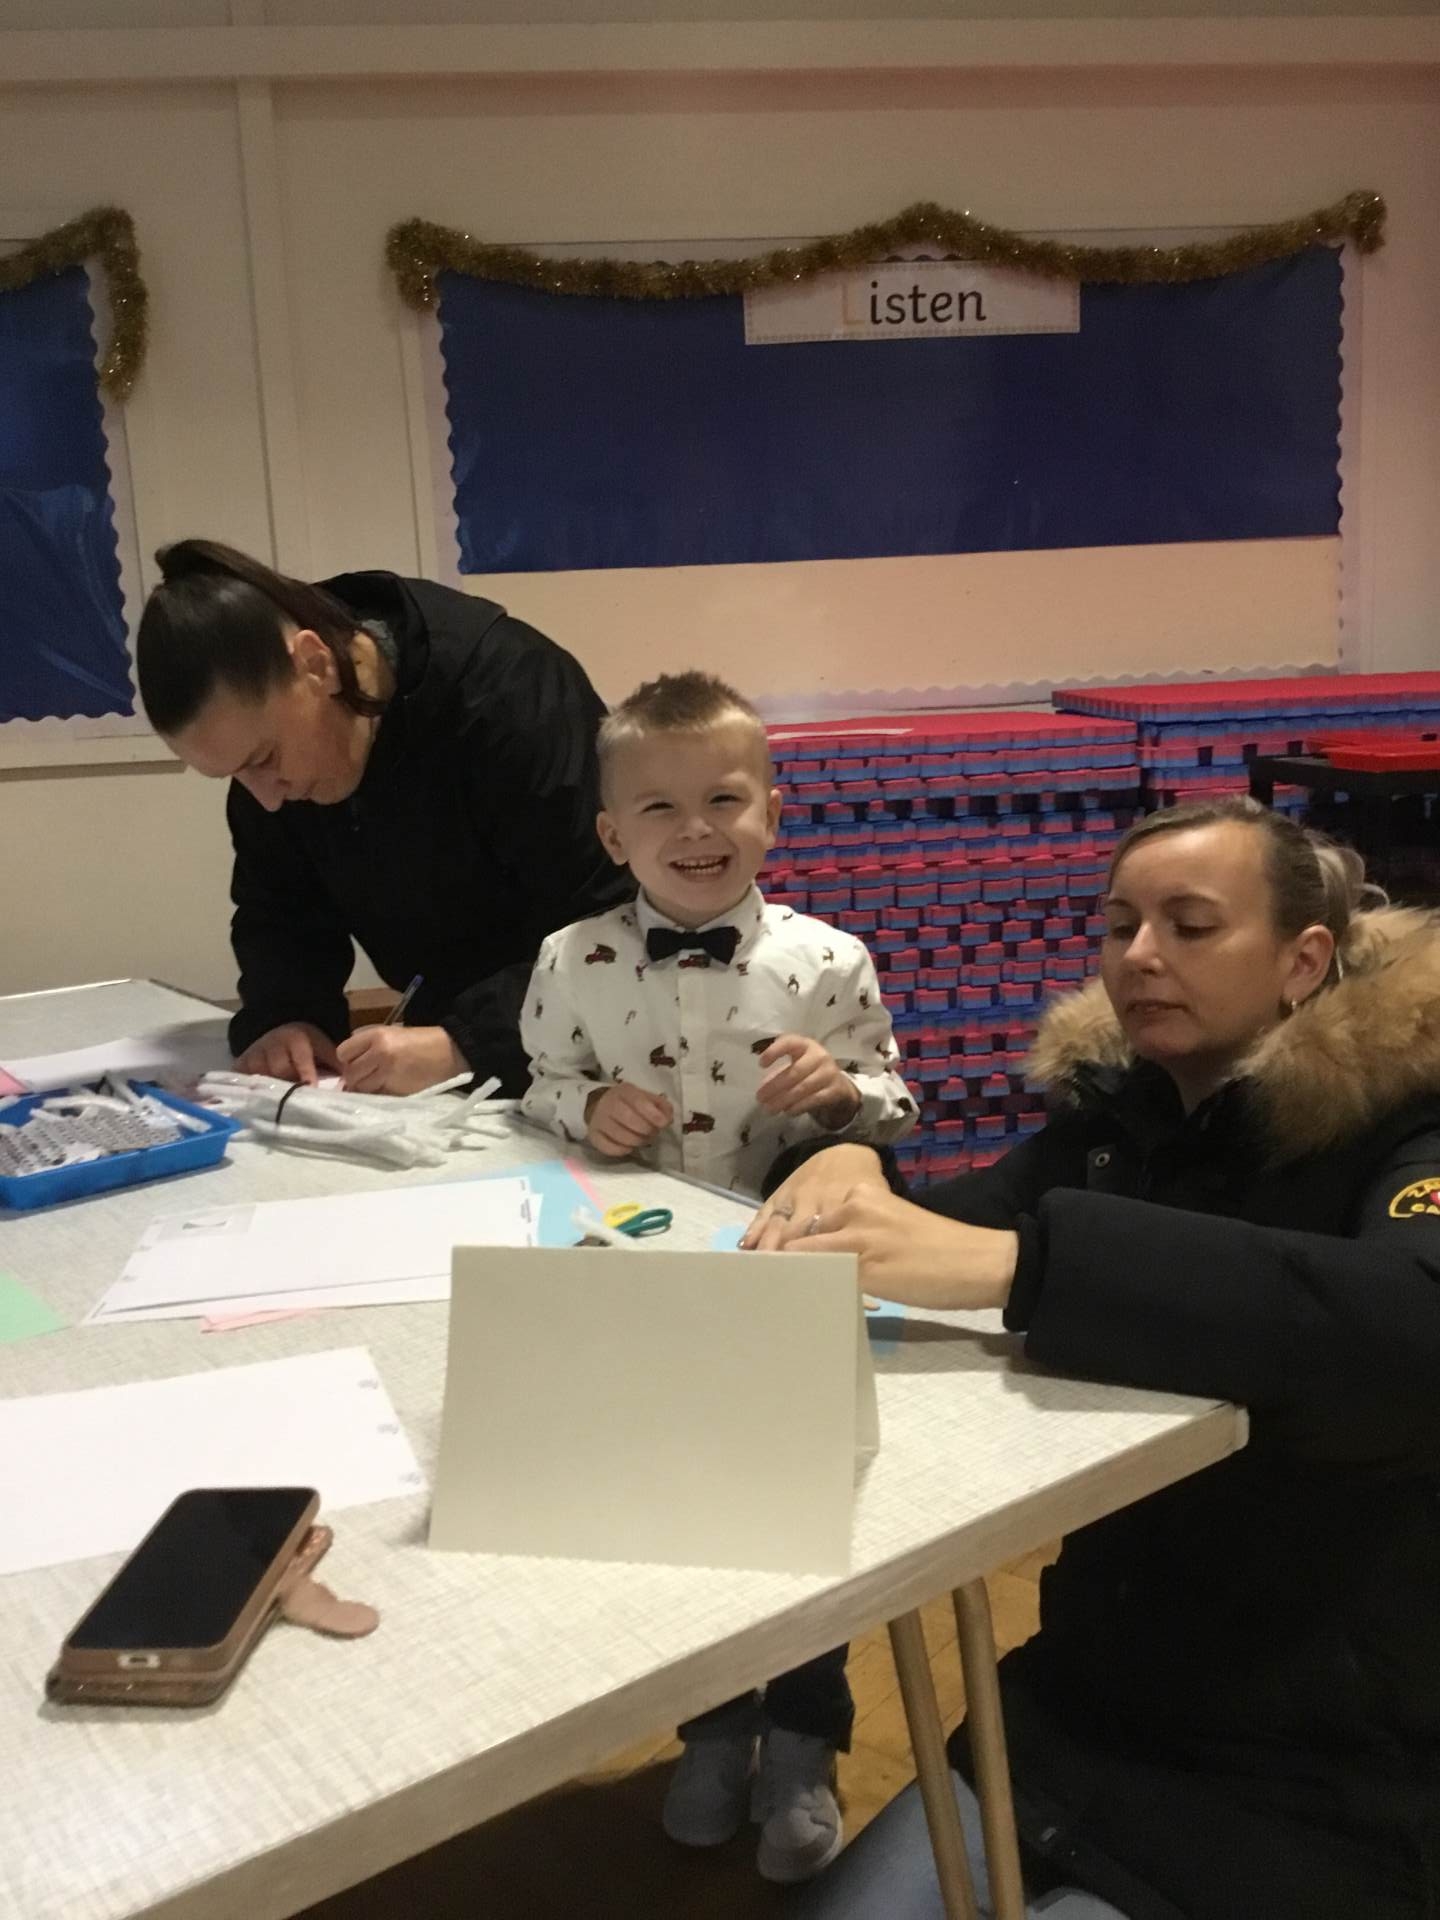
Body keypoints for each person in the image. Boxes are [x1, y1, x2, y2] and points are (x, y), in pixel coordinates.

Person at [744, 798, 1440, 1920]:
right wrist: (851, 1165)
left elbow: (1407, 1325)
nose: (1141, 956)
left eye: (1191, 925)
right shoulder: (1121, 1119)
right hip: (1074, 1707)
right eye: (1120, 926)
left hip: (1320, 1771)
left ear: (1302, 960)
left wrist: (1030, 1266)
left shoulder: (1410, 1122)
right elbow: (952, 1230)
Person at [519, 671, 918, 1884]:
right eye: (660, 807)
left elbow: (895, 1101)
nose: (695, 830)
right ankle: (709, 1728)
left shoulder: (829, 960)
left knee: (803, 1514)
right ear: (612, 833)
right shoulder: (569, 958)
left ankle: (803, 1738)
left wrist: (842, 1095)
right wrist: (587, 1102)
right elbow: (537, 1088)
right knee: (683, 1512)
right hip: (646, 1289)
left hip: (790, 1286)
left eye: (724, 800)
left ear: (772, 814)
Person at [135, 540, 628, 1095]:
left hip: (600, 1057)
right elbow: (279, 911)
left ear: (316, 665)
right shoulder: (271, 773)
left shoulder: (514, 696)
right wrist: (286, 1017)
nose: (265, 799)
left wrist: (467, 1042)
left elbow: (611, 922)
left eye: (263, 759)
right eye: (233, 775)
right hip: (444, 1054)